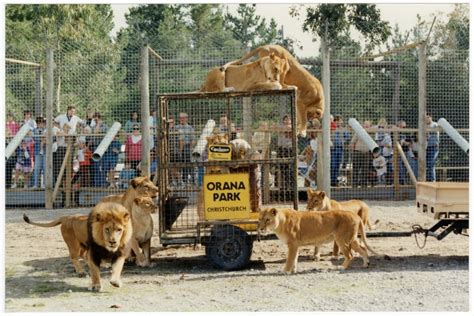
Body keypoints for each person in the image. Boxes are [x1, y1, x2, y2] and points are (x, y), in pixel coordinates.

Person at [276, 114, 294, 199]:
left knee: (290, 168)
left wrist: (288, 129)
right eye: (285, 120)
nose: (287, 121)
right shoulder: (281, 127)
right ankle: (282, 186)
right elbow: (276, 127)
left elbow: (294, 131)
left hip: (290, 149)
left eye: (288, 120)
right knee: (282, 168)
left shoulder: (294, 127)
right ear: (283, 121)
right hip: (281, 149)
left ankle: (290, 186)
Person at [350, 120, 372, 187]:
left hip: (366, 153)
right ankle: (354, 184)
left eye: (368, 125)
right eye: (365, 124)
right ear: (363, 125)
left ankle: (364, 184)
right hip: (358, 152)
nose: (366, 126)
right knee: (356, 169)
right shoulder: (358, 132)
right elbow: (352, 142)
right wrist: (352, 152)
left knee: (365, 169)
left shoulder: (371, 133)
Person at [176, 112, 196, 185]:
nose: (182, 119)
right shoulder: (176, 127)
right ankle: (180, 181)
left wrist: (190, 148)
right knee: (178, 163)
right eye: (181, 118)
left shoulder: (190, 128)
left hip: (187, 147)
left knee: (187, 162)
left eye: (183, 118)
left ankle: (189, 180)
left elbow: (193, 139)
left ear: (186, 119)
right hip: (177, 147)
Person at [90, 112, 109, 187]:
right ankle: (96, 184)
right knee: (96, 166)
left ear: (99, 118)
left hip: (103, 148)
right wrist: (98, 125)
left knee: (103, 167)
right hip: (95, 147)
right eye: (94, 118)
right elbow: (95, 132)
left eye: (96, 118)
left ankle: (103, 183)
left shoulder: (105, 126)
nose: (95, 119)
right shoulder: (93, 126)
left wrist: (99, 126)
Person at [330, 115, 350, 186]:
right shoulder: (332, 128)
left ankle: (335, 180)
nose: (341, 122)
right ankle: (331, 180)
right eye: (340, 121)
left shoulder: (343, 129)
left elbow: (347, 137)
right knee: (333, 165)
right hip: (333, 149)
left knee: (338, 165)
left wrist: (343, 139)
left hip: (340, 149)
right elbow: (333, 138)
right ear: (336, 121)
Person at [375, 118, 393, 184]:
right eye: (381, 123)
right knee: (382, 168)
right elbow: (378, 143)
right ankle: (381, 182)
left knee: (390, 168)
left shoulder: (388, 132)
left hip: (389, 152)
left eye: (384, 123)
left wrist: (388, 146)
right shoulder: (378, 132)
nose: (383, 125)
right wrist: (385, 144)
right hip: (382, 152)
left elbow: (391, 142)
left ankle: (389, 182)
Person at [32, 117, 46, 189]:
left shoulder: (46, 130)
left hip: (46, 152)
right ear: (37, 123)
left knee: (45, 168)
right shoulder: (34, 130)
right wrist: (42, 139)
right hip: (37, 152)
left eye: (42, 123)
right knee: (37, 168)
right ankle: (35, 184)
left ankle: (44, 184)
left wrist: (43, 140)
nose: (41, 124)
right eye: (39, 123)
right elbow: (35, 139)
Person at [426, 113, 439, 182]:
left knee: (431, 163)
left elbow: (434, 130)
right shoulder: (424, 125)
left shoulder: (434, 124)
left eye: (428, 117)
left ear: (431, 117)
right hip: (426, 148)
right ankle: (428, 180)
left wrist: (426, 130)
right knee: (427, 165)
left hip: (434, 147)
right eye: (425, 118)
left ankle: (432, 181)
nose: (426, 119)